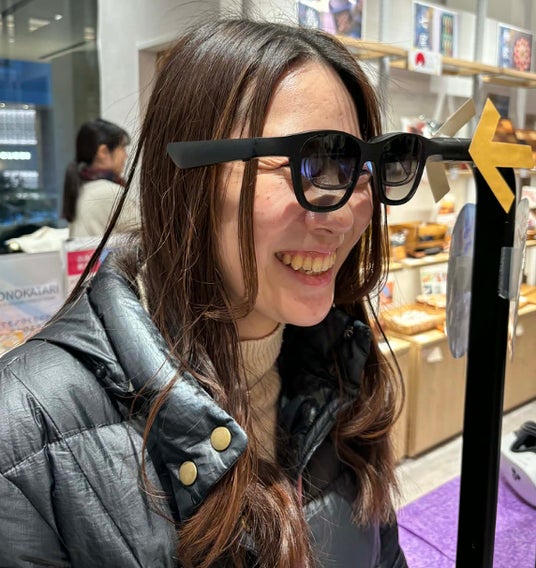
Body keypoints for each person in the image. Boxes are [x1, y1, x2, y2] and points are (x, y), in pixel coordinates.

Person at [0, 19, 416, 567]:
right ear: (190, 176)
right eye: (312, 161)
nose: (348, 213)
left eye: (359, 167)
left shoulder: (340, 363)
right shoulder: (25, 431)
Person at [62, 118, 138, 237]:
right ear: (103, 152)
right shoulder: (109, 192)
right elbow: (147, 237)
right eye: (122, 148)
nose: (125, 155)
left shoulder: (81, 188)